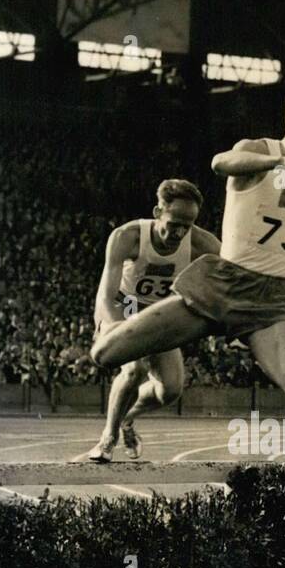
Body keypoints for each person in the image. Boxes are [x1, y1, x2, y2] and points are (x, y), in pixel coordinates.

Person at [91, 80, 285, 532]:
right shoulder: (258, 151)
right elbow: (220, 163)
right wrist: (280, 160)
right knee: (106, 355)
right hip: (221, 286)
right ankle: (120, 408)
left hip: (272, 301)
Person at [88, 179, 220, 462]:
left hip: (162, 312)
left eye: (188, 225)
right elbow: (105, 296)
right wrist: (114, 329)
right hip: (125, 305)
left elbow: (240, 273)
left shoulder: (202, 243)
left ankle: (128, 418)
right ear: (157, 212)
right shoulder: (128, 236)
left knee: (170, 390)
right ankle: (107, 439)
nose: (180, 232)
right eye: (174, 223)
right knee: (134, 369)